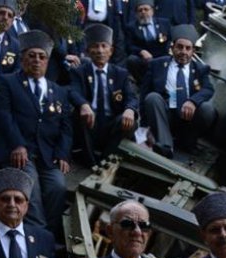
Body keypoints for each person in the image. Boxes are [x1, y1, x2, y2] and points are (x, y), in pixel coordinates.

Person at [0, 30, 72, 239]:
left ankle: (49, 237)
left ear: (47, 61)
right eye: (31, 55)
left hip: (48, 155)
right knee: (31, 192)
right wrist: (17, 145)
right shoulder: (8, 82)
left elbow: (66, 126)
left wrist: (63, 154)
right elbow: (4, 116)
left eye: (42, 56)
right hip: (21, 152)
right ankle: (38, 239)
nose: (37, 60)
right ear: (22, 59)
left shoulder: (59, 91)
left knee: (58, 187)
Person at [141, 24, 216, 158]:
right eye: (180, 47)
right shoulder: (157, 64)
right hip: (164, 116)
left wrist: (192, 101)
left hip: (188, 118)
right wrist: (143, 127)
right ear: (172, 47)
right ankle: (165, 146)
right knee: (152, 97)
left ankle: (188, 142)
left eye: (188, 48)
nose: (184, 52)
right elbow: (143, 94)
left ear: (193, 51)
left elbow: (208, 89)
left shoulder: (200, 69)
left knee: (207, 109)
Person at [69, 24, 139, 165]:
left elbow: (131, 97)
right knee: (78, 114)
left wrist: (130, 110)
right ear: (88, 51)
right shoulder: (80, 72)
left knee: (129, 122)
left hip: (112, 123)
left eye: (104, 46)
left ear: (111, 50)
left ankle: (106, 160)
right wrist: (83, 104)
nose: (100, 51)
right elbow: (73, 91)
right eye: (95, 46)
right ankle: (89, 161)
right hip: (90, 122)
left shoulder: (121, 73)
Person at [124, 0, 172, 79]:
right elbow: (129, 45)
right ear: (136, 14)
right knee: (131, 60)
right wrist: (141, 51)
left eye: (146, 9)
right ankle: (141, 83)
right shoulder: (131, 27)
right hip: (143, 58)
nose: (143, 12)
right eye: (140, 10)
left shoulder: (164, 23)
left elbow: (170, 39)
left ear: (152, 11)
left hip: (162, 55)